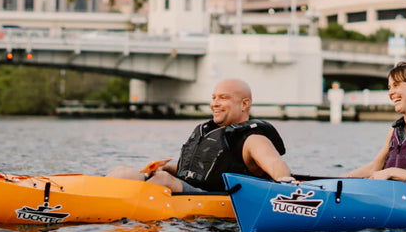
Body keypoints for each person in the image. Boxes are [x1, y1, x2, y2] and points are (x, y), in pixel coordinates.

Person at [107, 78, 296, 193]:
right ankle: (95, 195)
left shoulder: (253, 138)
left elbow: (274, 163)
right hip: (186, 187)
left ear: (244, 104)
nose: (215, 103)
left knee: (163, 181)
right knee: (125, 172)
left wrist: (285, 182)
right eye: (214, 97)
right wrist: (162, 169)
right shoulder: (208, 131)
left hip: (216, 197)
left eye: (223, 98)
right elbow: (195, 168)